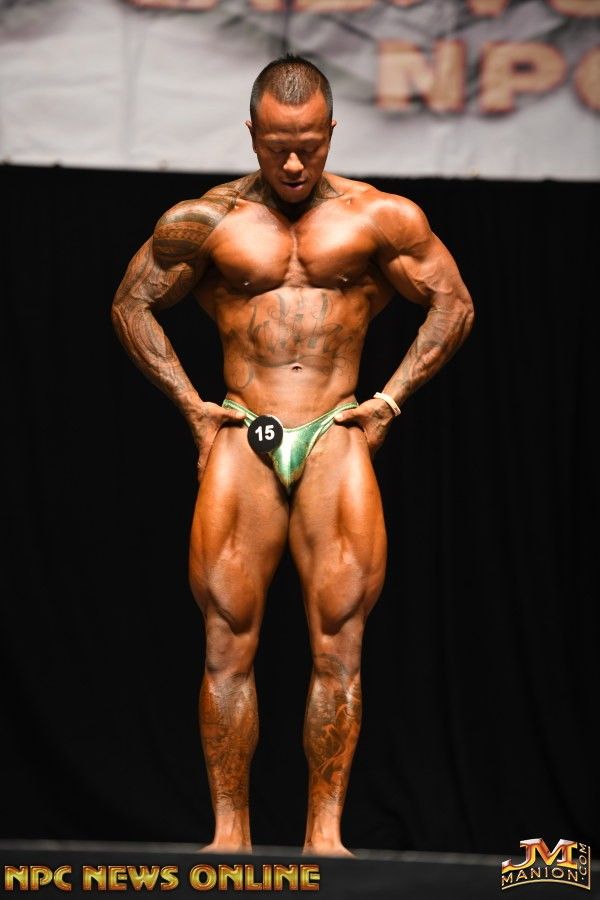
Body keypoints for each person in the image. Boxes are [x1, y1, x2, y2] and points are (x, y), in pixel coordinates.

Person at [111, 55, 474, 857]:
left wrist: (389, 400)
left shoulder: (379, 218)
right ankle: (228, 837)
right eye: (278, 146)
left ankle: (326, 840)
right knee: (225, 639)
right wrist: (192, 408)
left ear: (331, 131)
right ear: (252, 134)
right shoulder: (207, 221)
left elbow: (453, 304)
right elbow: (131, 305)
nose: (296, 163)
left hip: (334, 433)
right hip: (247, 429)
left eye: (310, 145)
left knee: (339, 643)